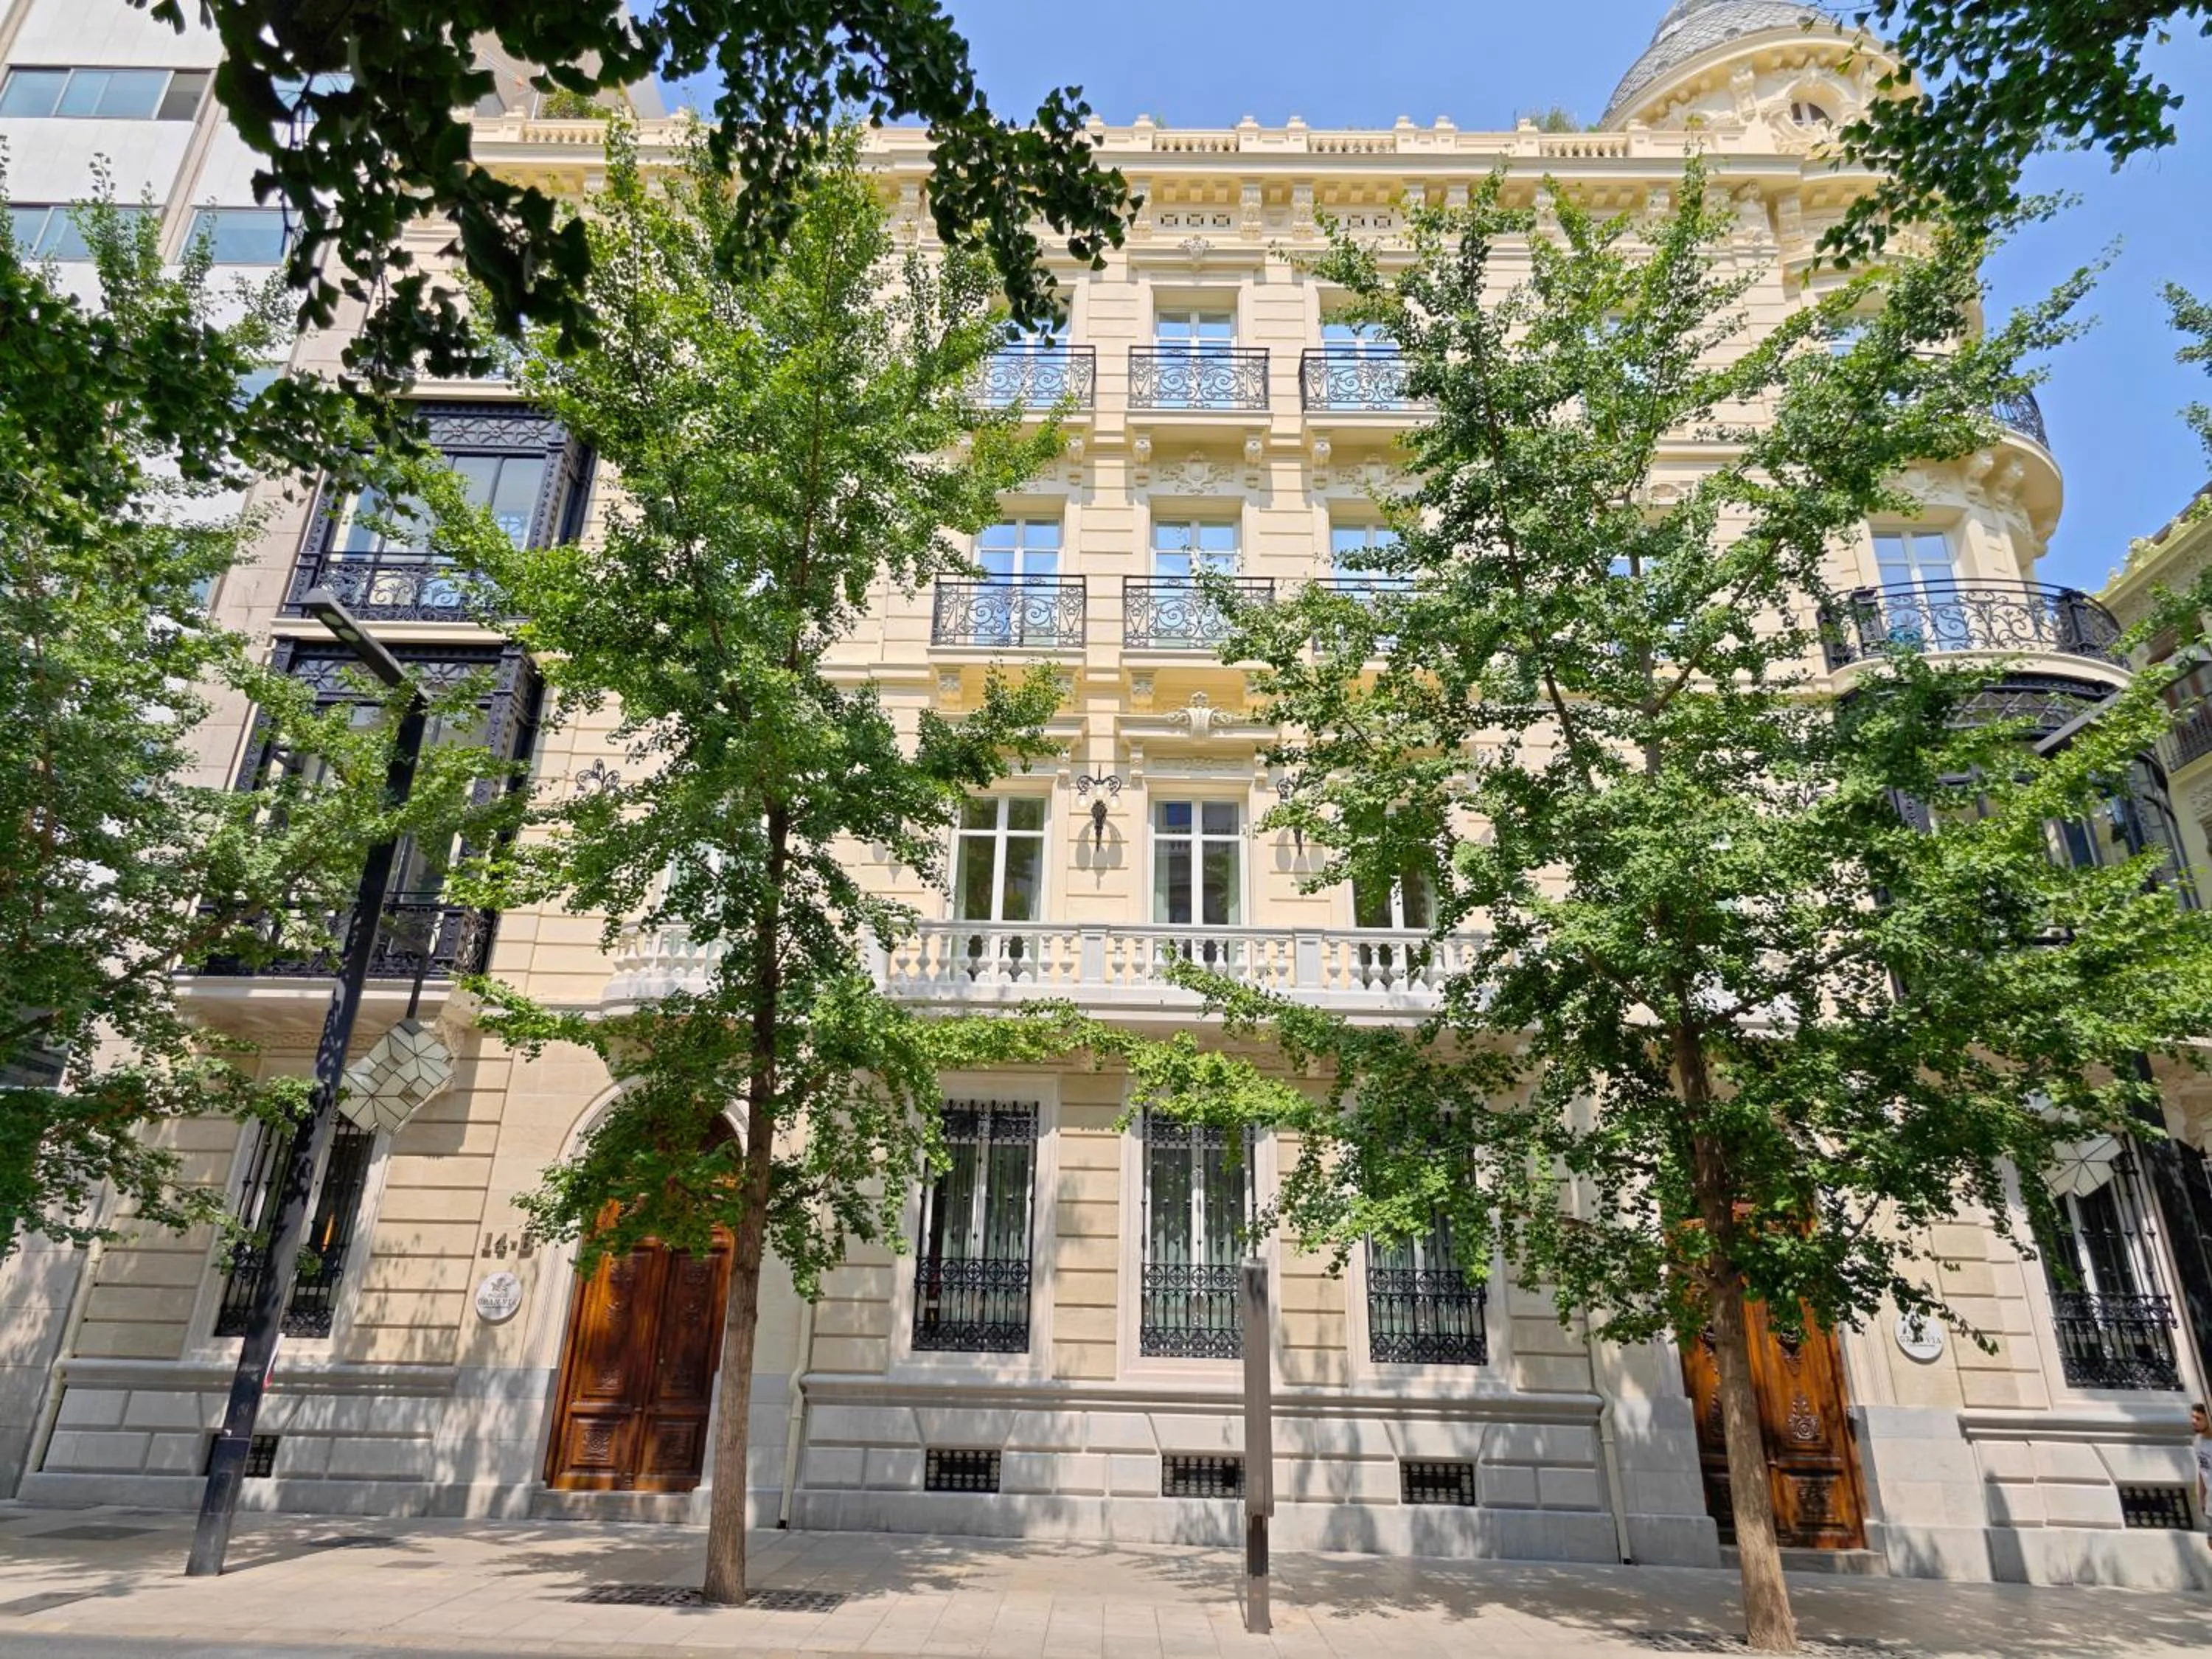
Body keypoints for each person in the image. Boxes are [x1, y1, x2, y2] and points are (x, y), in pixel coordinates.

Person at [2192, 1402, 2212, 1552]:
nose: (2194, 1421)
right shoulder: (2198, 1442)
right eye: (2193, 1417)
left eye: (2198, 1418)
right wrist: (2201, 1499)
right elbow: (2201, 1471)